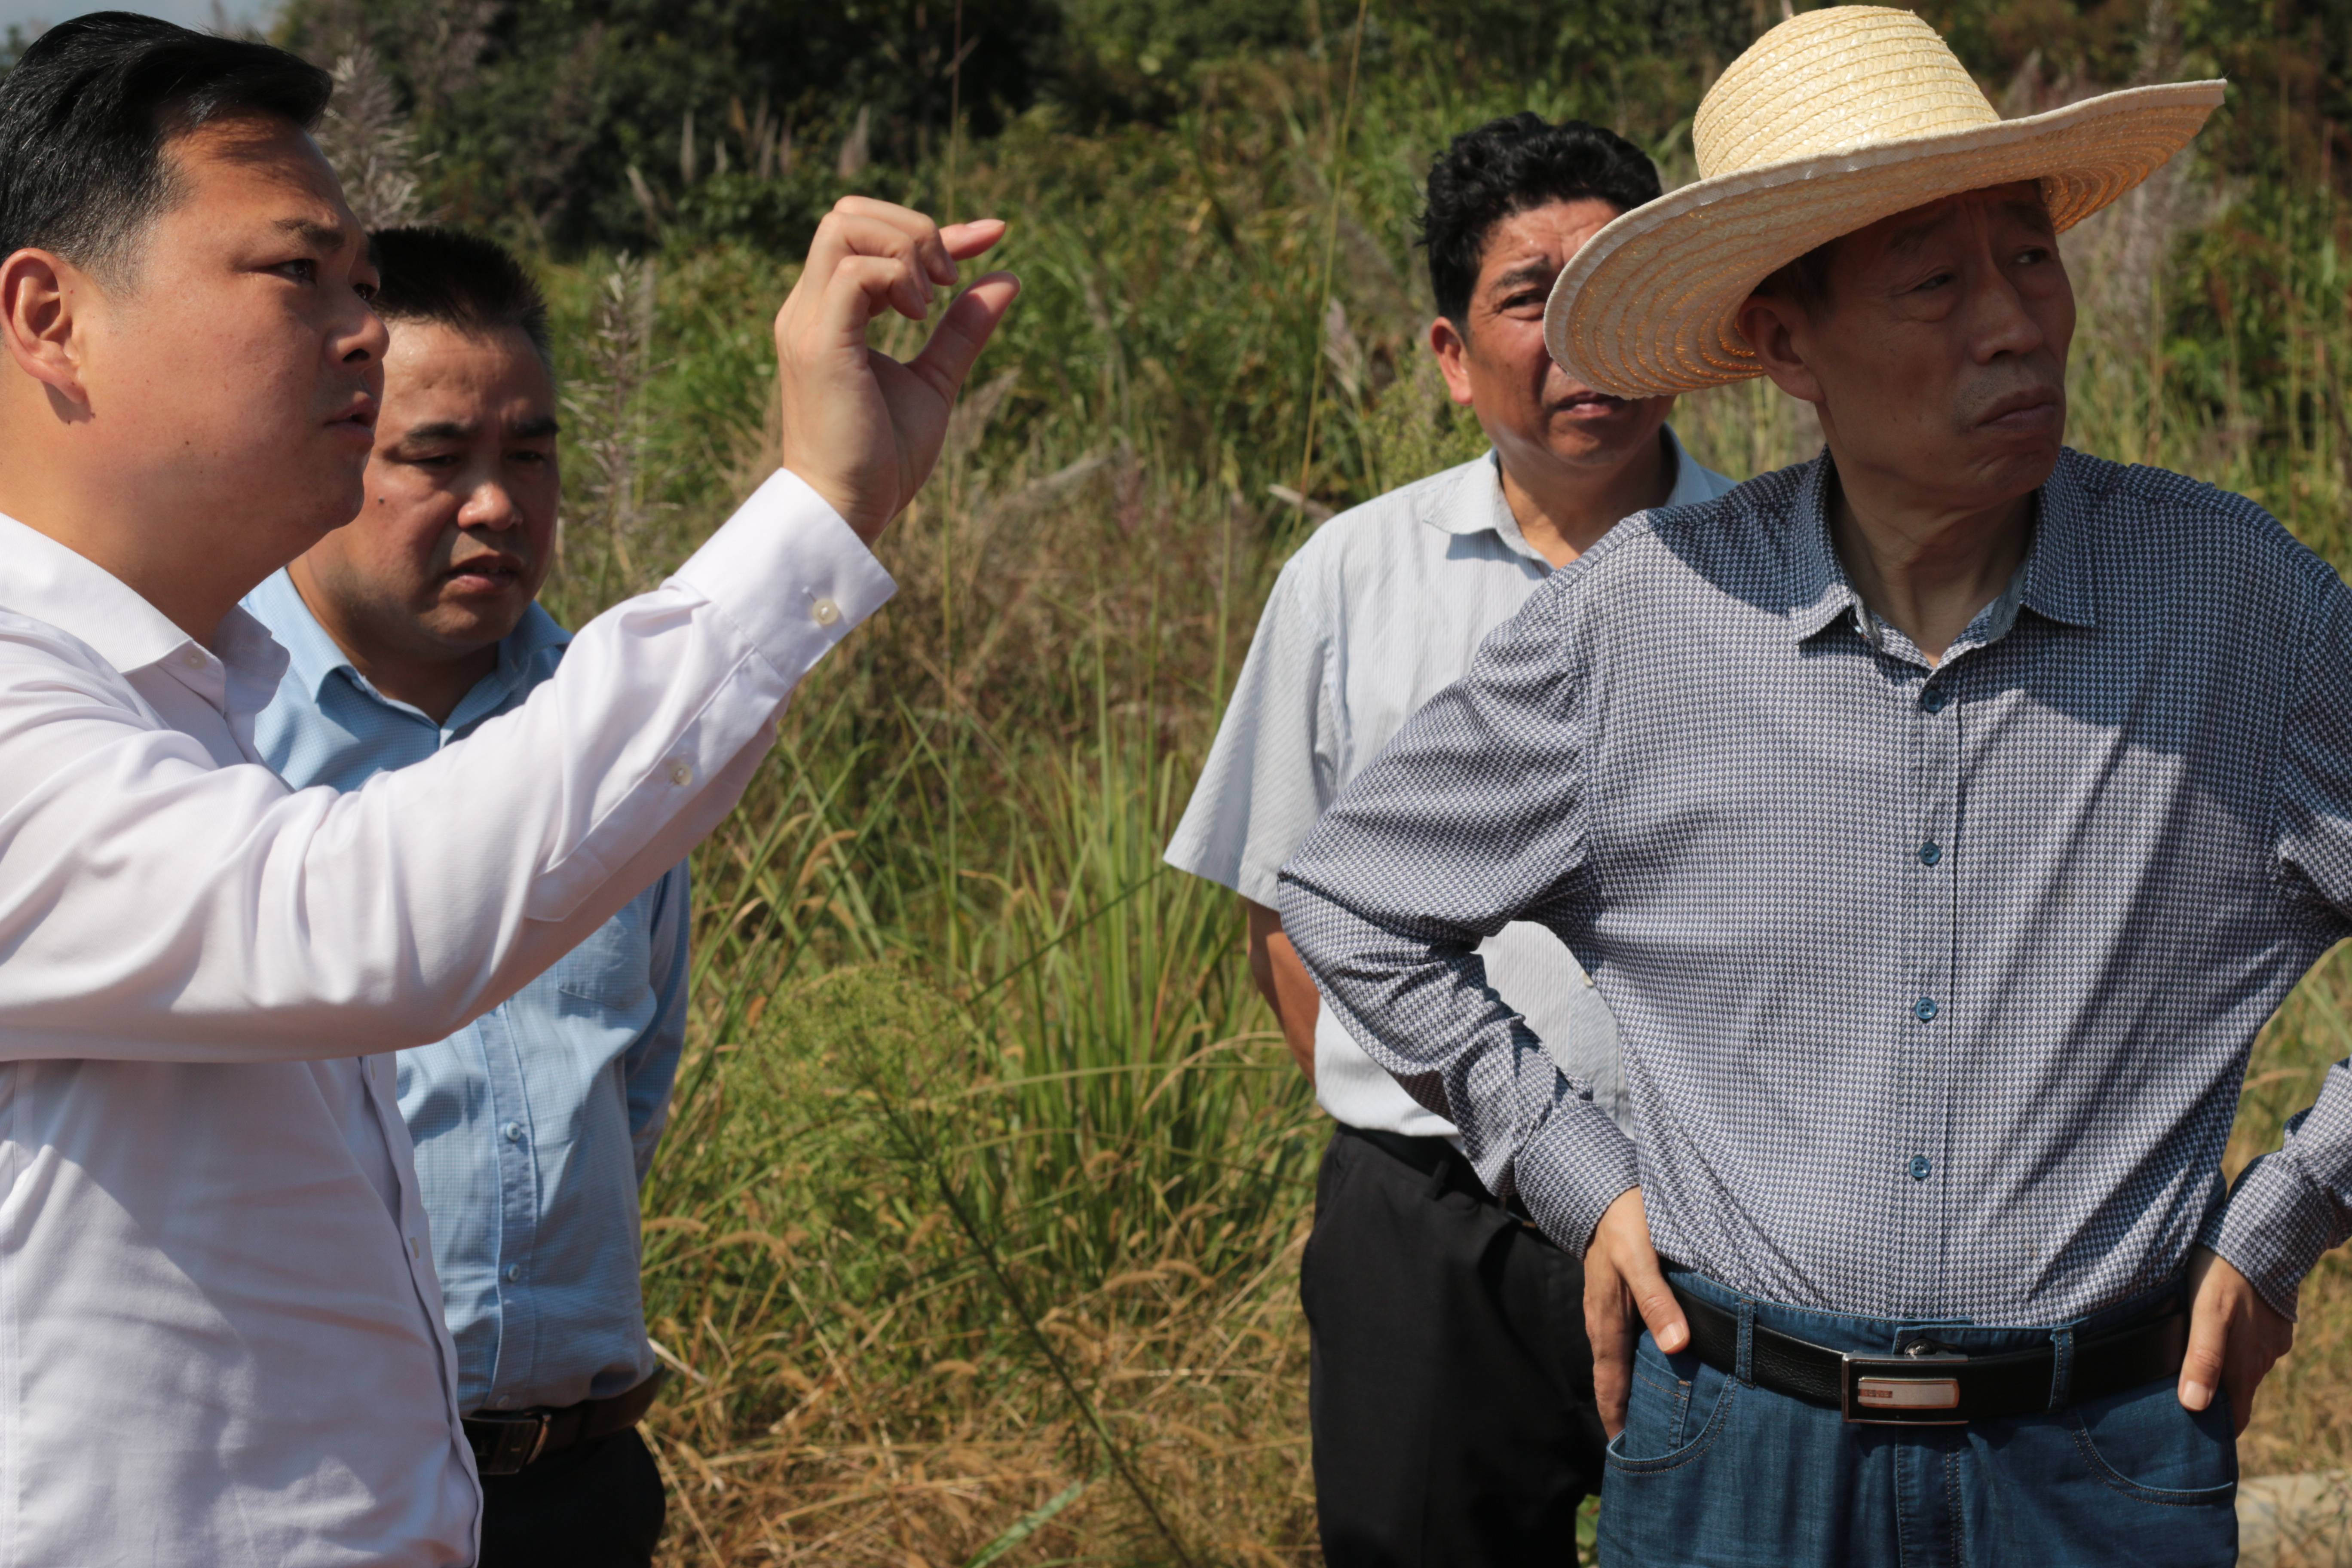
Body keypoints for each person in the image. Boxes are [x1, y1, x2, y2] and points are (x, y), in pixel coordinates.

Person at [1276, 8, 2312, 1566]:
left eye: (2029, 257)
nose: (2016, 323)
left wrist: (2292, 1212)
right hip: (1740, 1449)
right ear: (1783, 342)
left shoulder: (2232, 603)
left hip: (2098, 1451)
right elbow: (1351, 900)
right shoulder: (1648, 619)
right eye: (1934, 283)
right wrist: (1584, 1184)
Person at [0, 12, 1015, 1566]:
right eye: (297, 274)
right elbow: (361, 929)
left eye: (363, 282)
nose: (359, 327)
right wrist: (818, 513)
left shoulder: (195, 708)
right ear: (50, 313)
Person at [1164, 116, 1734, 1564]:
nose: (1578, 334)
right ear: (1447, 351)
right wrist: (1434, 1131)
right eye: (1531, 299)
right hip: (1431, 1227)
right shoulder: (1350, 579)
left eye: (1615, 284)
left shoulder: (1785, 567)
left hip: (1728, 1214)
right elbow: (1288, 917)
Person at [242, 227, 680, 1568]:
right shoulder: (211, 734)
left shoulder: (609, 736)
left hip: (581, 1485)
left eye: (530, 456)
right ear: (331, 449)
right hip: (314, 1491)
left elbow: (636, 1078)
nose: (496, 504)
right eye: (435, 458)